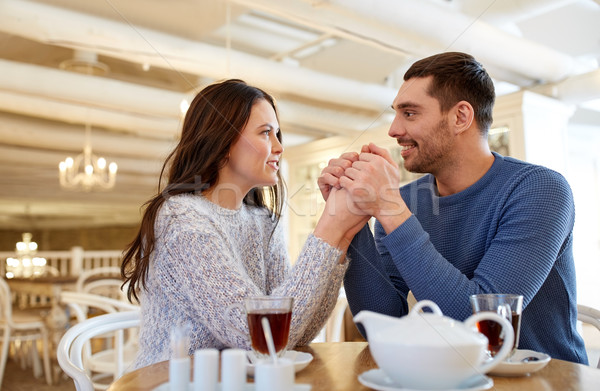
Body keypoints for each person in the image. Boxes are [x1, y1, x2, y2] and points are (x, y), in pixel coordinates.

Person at [318, 52, 588, 364]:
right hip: (449, 378)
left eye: (409, 113)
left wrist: (389, 209)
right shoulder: (405, 201)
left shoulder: (540, 190)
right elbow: (384, 322)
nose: (393, 130)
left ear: (460, 117)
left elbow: (480, 326)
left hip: (545, 381)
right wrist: (355, 219)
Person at [122, 79, 368, 369]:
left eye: (277, 134)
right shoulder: (183, 219)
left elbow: (291, 333)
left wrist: (342, 236)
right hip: (171, 382)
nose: (279, 147)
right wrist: (329, 229)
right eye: (266, 133)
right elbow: (256, 335)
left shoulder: (261, 222)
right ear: (222, 142)